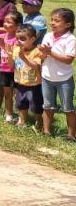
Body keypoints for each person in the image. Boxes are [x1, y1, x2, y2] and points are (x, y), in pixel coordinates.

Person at [38, 8, 76, 141]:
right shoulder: (48, 35)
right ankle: (46, 131)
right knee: (47, 106)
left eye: (57, 21)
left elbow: (68, 60)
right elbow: (42, 55)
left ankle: (71, 135)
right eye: (52, 20)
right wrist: (42, 53)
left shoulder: (71, 39)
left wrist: (49, 52)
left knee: (68, 108)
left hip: (64, 79)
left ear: (68, 24)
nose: (52, 23)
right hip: (47, 76)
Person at [12, 24, 44, 130]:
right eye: (17, 38)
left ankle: (39, 122)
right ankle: (22, 121)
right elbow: (12, 65)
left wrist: (24, 58)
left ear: (32, 39)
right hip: (20, 82)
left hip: (34, 84)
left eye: (22, 38)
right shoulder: (16, 49)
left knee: (36, 105)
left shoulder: (36, 51)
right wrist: (8, 56)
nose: (19, 41)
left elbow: (36, 66)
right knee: (21, 103)